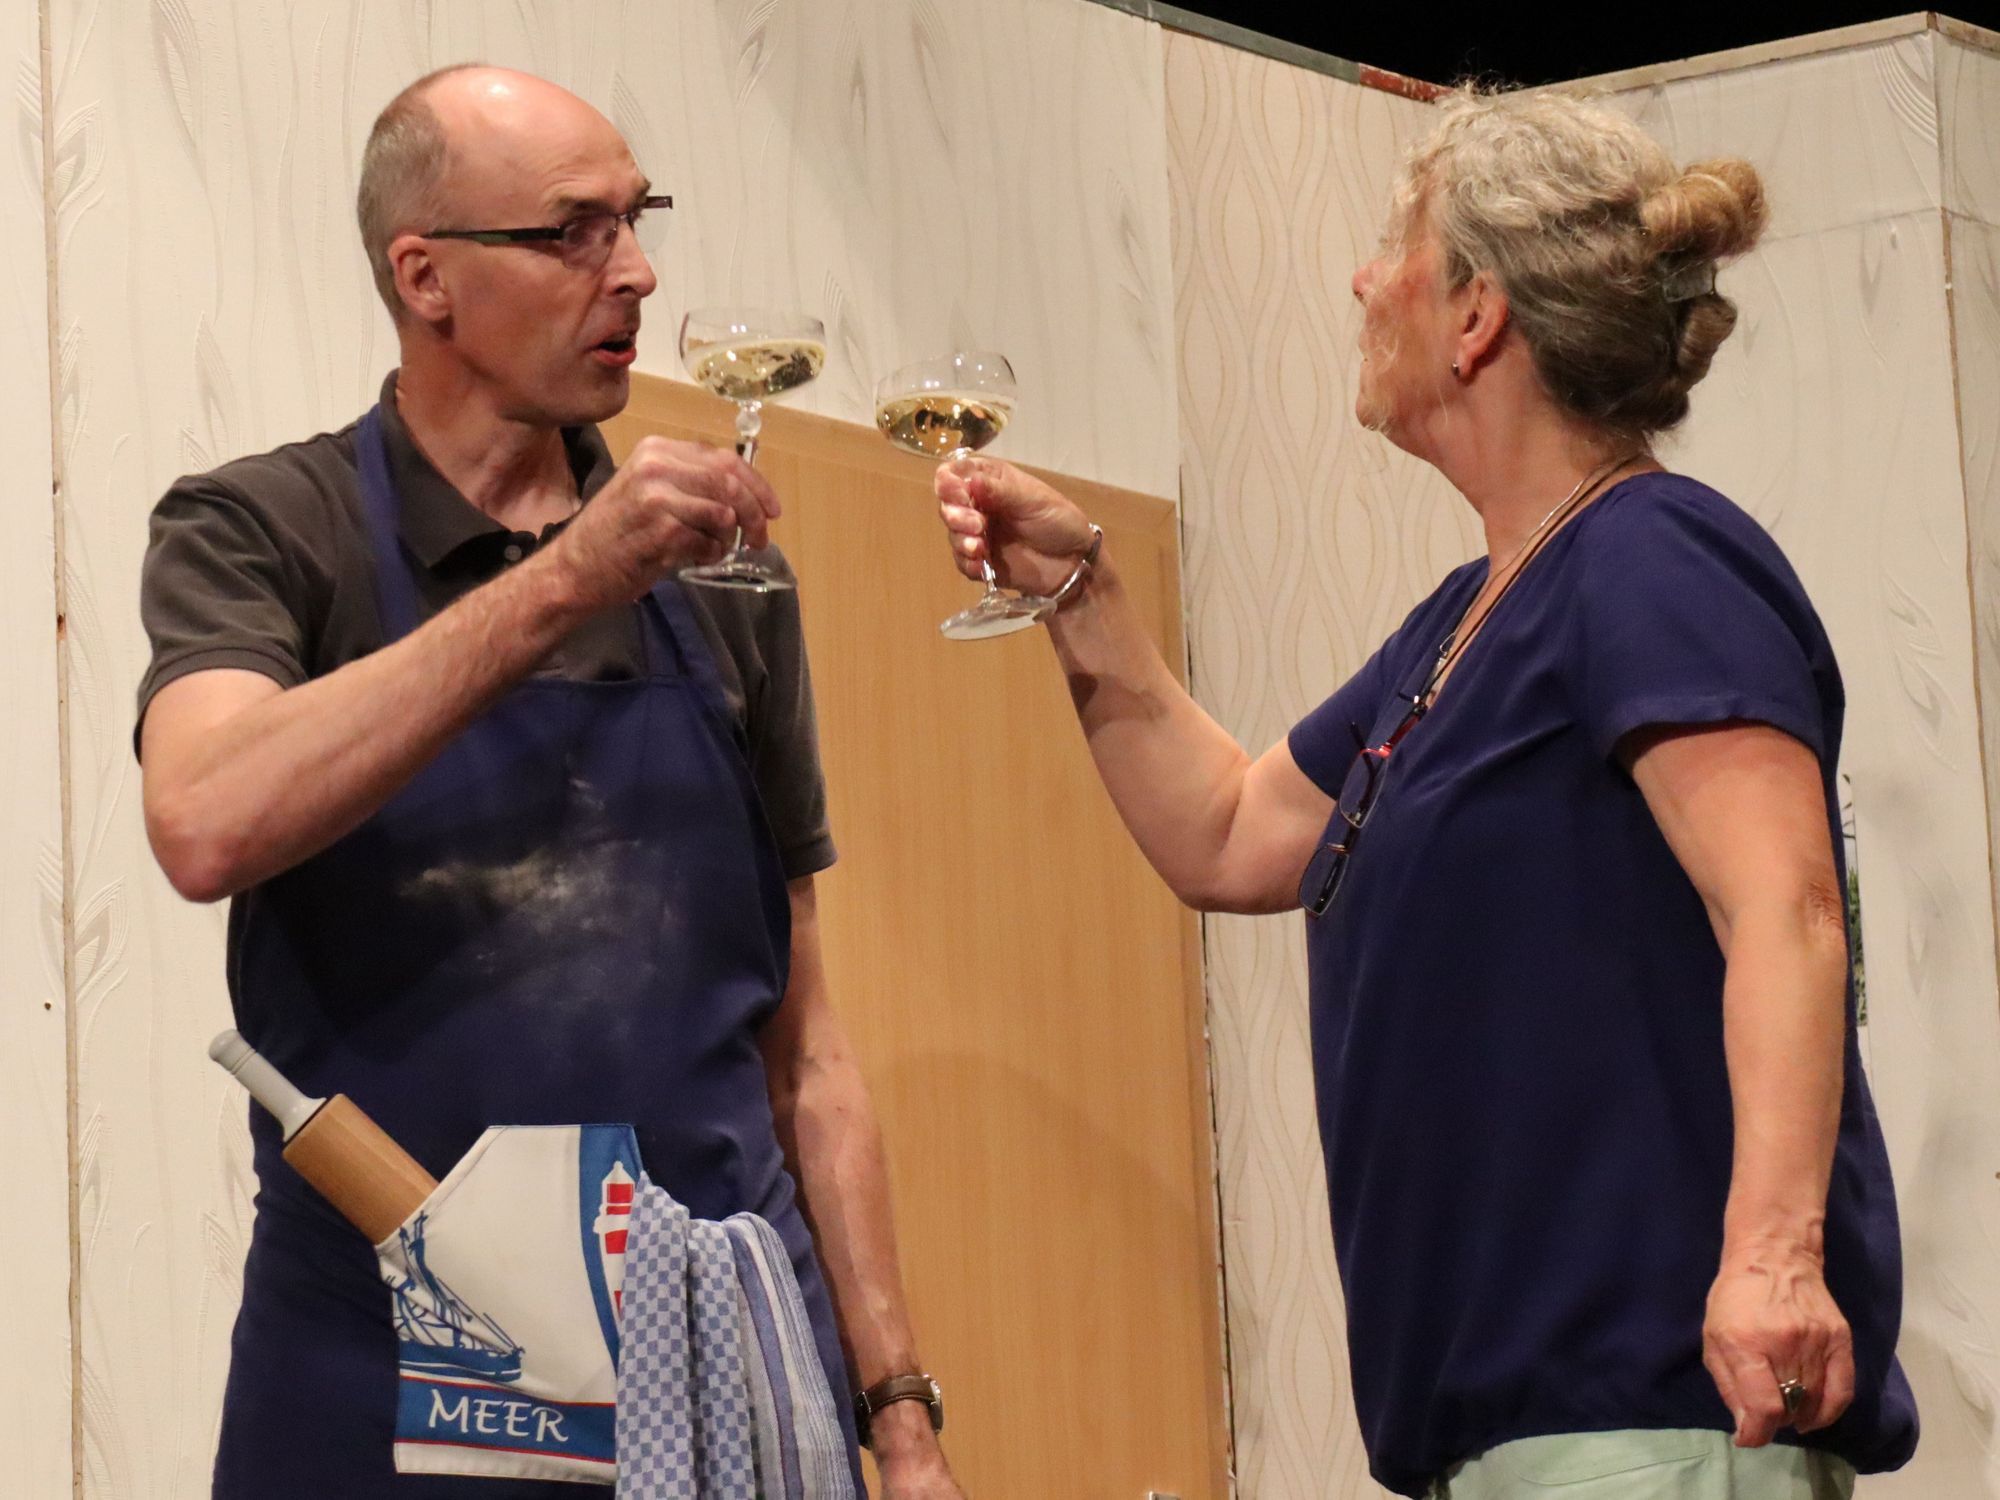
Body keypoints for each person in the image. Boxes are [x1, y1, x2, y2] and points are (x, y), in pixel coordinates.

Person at [934, 89, 1917, 1499]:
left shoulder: (1654, 556)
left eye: (1396, 241)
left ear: (1476, 318)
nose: (1359, 278)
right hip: (1501, 1443)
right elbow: (1228, 834)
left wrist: (1774, 1258)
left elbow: (1789, 907)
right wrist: (1079, 592)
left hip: (1649, 1421)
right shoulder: (1460, 624)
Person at [138, 65, 959, 1499]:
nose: (635, 272)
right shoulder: (265, 529)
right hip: (383, 1374)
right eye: (575, 231)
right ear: (426, 278)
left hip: (716, 1377)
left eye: (638, 220)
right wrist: (569, 576)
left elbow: (806, 1050)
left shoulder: (728, 584)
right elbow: (204, 819)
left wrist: (899, 1414)